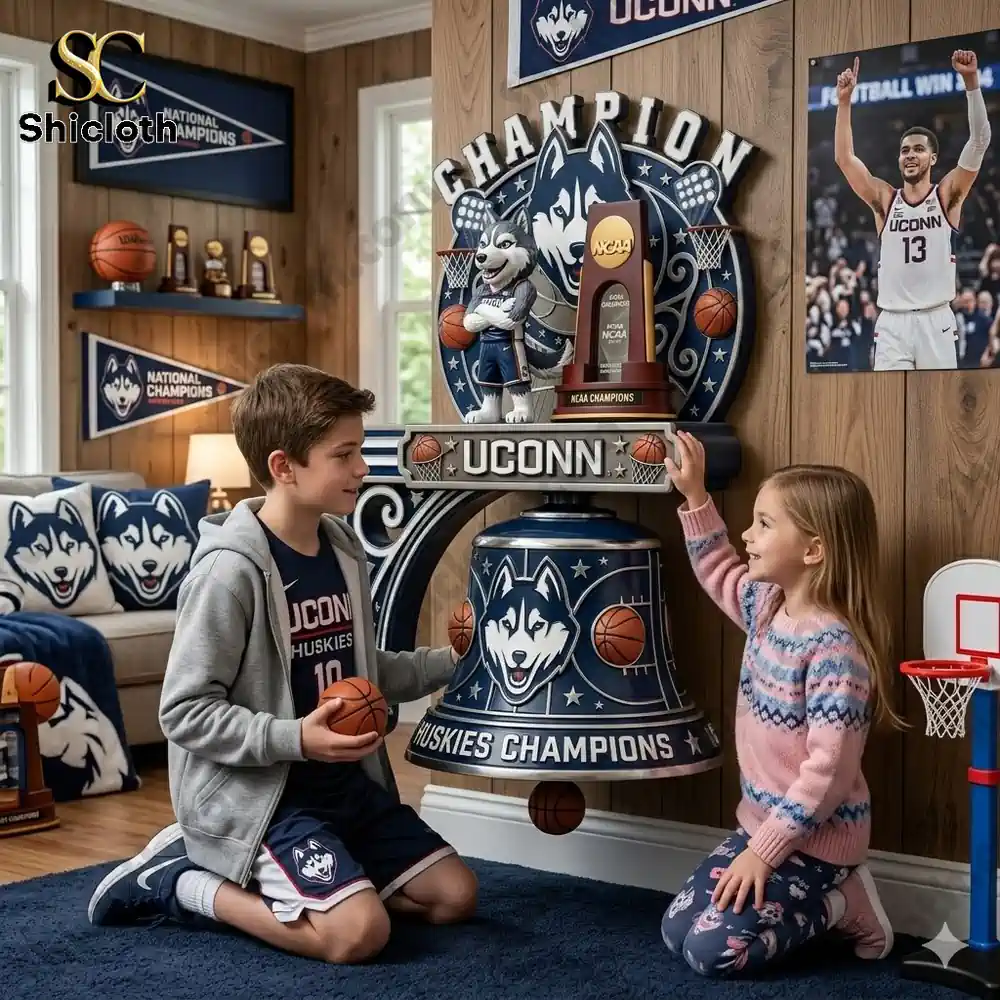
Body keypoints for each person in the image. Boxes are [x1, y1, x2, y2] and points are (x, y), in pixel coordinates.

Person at [86, 363, 477, 963]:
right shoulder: (229, 572)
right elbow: (184, 712)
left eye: (360, 451)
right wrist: (295, 737)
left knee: (455, 897)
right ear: (282, 466)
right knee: (357, 936)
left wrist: (451, 662)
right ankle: (180, 882)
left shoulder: (342, 548)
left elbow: (363, 674)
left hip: (344, 788)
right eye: (344, 455)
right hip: (264, 797)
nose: (362, 469)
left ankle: (334, 884)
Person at [659, 431, 905, 977]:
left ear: (813, 549)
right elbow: (719, 570)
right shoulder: (768, 606)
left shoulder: (835, 649)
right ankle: (800, 885)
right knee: (675, 931)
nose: (747, 534)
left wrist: (763, 854)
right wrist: (696, 498)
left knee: (713, 953)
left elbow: (828, 776)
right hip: (762, 828)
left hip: (816, 843)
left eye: (764, 524)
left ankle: (843, 903)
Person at [834, 49, 991, 370]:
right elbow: (845, 159)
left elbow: (979, 141)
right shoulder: (885, 199)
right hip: (892, 322)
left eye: (919, 149)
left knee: (937, 409)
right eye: (905, 150)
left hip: (937, 319)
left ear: (932, 158)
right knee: (889, 409)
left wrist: (971, 81)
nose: (910, 155)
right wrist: (844, 103)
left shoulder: (947, 196)